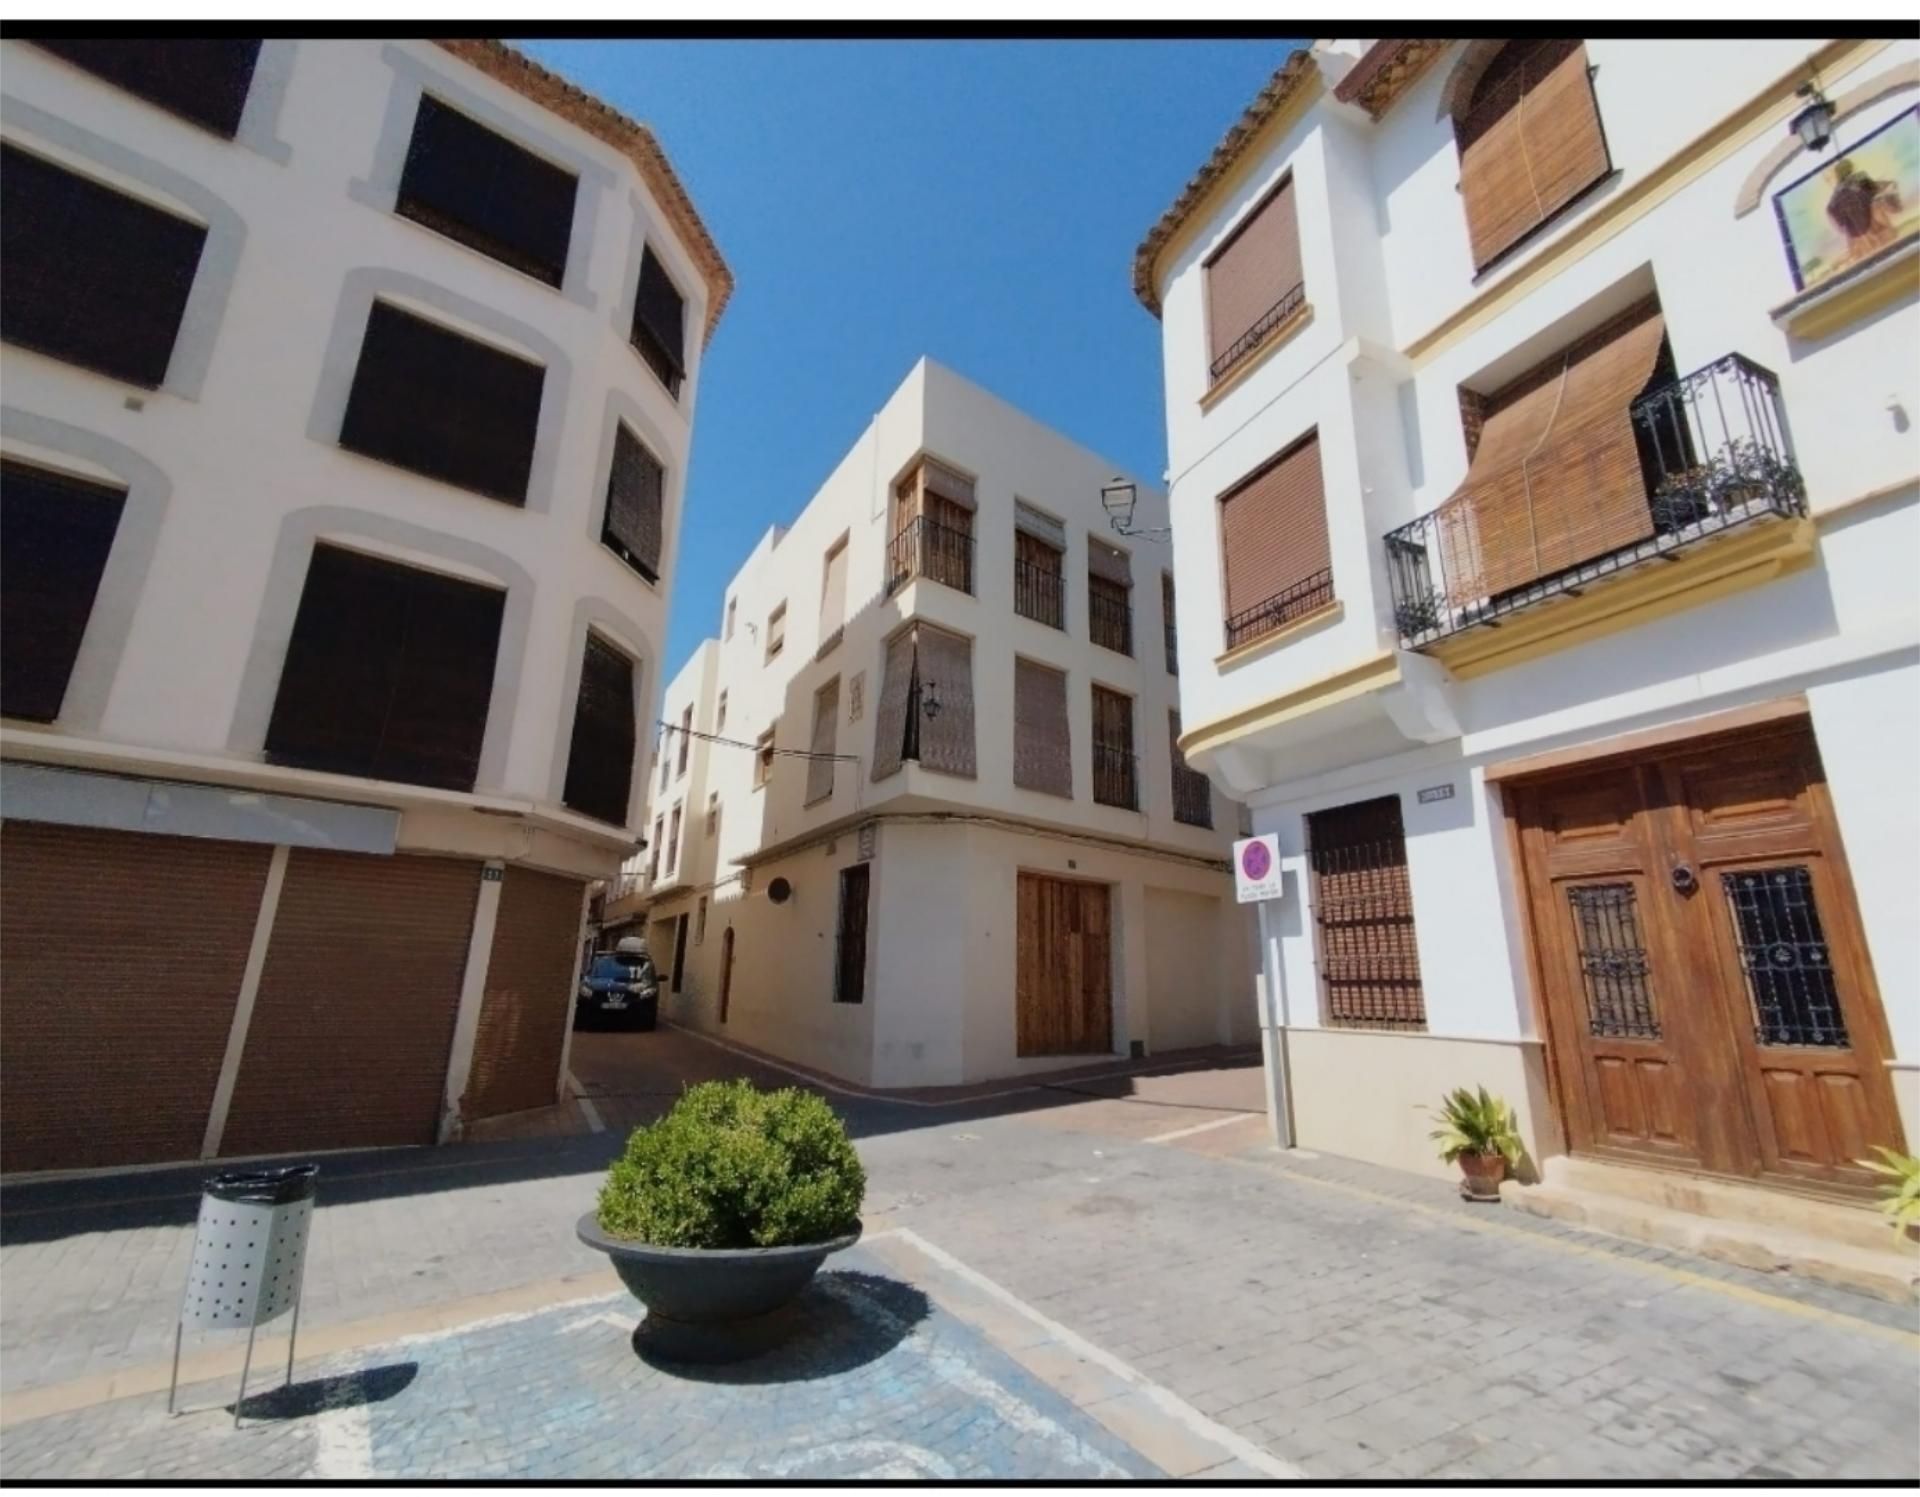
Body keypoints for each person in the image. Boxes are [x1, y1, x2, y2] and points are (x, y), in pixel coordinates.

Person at [1824, 156, 1902, 267]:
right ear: (1850, 168)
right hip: (1877, 234)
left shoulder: (1833, 202)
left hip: (1859, 245)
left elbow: (1840, 223)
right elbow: (1879, 190)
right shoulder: (1861, 179)